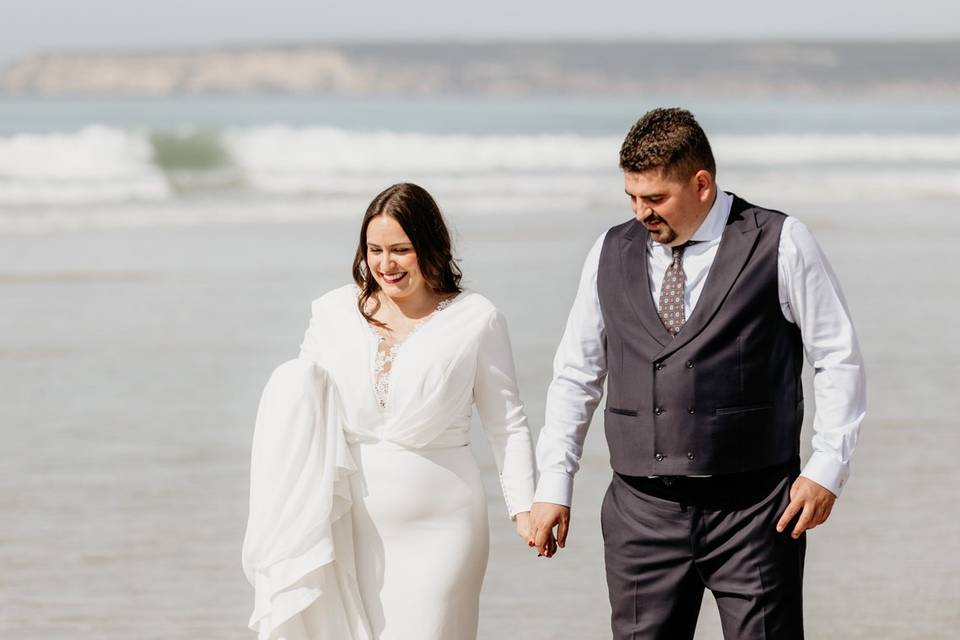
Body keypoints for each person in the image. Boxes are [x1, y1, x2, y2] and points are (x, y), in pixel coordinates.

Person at [528, 108, 866, 639]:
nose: (642, 213)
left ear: (702, 184)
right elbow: (577, 374)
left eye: (656, 198)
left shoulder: (781, 241)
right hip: (640, 515)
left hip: (756, 510)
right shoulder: (608, 252)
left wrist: (827, 467)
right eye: (632, 198)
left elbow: (837, 357)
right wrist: (554, 483)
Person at [241, 183, 538, 640]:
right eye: (375, 250)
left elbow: (507, 422)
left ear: (430, 246)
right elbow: (302, 406)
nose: (386, 264)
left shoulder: (476, 318)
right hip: (351, 528)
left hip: (445, 526)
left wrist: (525, 507)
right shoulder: (332, 312)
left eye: (401, 249)